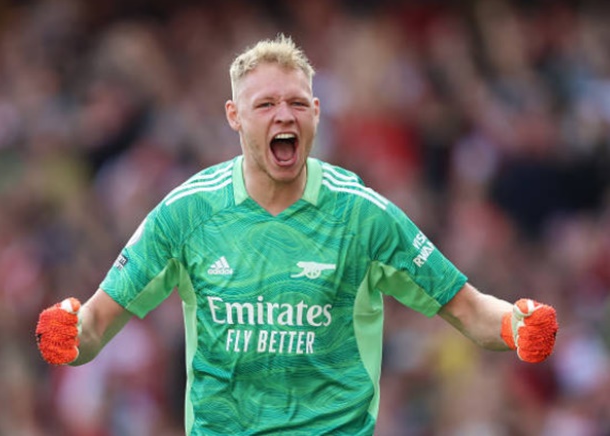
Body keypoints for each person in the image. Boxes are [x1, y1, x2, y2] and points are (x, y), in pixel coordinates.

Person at [36, 34, 558, 435]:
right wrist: (70, 335)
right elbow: (97, 322)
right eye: (265, 105)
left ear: (315, 113)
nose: (284, 115)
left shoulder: (363, 216)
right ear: (235, 117)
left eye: (297, 103)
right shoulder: (187, 214)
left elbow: (468, 309)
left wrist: (517, 325)